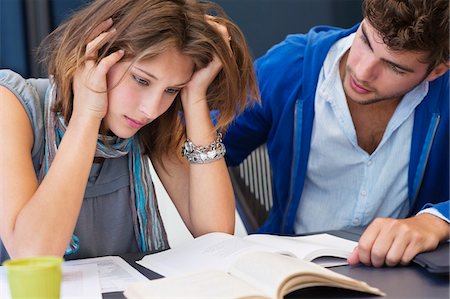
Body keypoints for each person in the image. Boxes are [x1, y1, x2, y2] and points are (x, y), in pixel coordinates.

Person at [0, 0, 258, 263]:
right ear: (97, 53)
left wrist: (194, 98)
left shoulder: (152, 123)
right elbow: (32, 255)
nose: (150, 109)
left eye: (172, 89)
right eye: (142, 80)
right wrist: (87, 115)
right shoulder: (12, 105)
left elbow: (215, 235)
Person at [224, 0, 449, 267]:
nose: (363, 72)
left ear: (436, 71)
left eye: (394, 67)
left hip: (400, 274)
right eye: (365, 40)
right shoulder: (289, 67)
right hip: (291, 267)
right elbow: (194, 148)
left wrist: (438, 219)